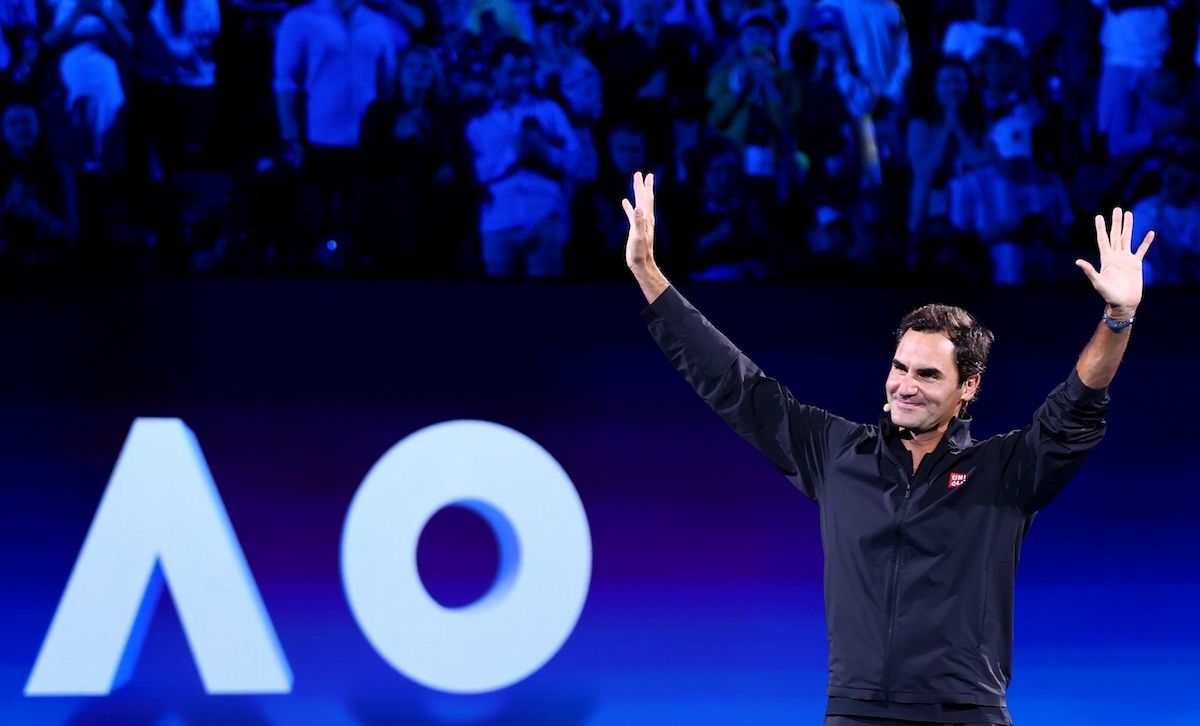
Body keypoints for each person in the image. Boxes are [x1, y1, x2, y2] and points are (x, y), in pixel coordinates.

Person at [622, 170, 1154, 725]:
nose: (904, 385)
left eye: (927, 374)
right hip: (855, 712)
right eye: (899, 367)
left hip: (963, 711)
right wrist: (648, 274)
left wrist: (1118, 318)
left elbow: (1075, 407)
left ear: (966, 388)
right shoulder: (835, 453)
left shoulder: (1006, 470)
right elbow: (738, 387)